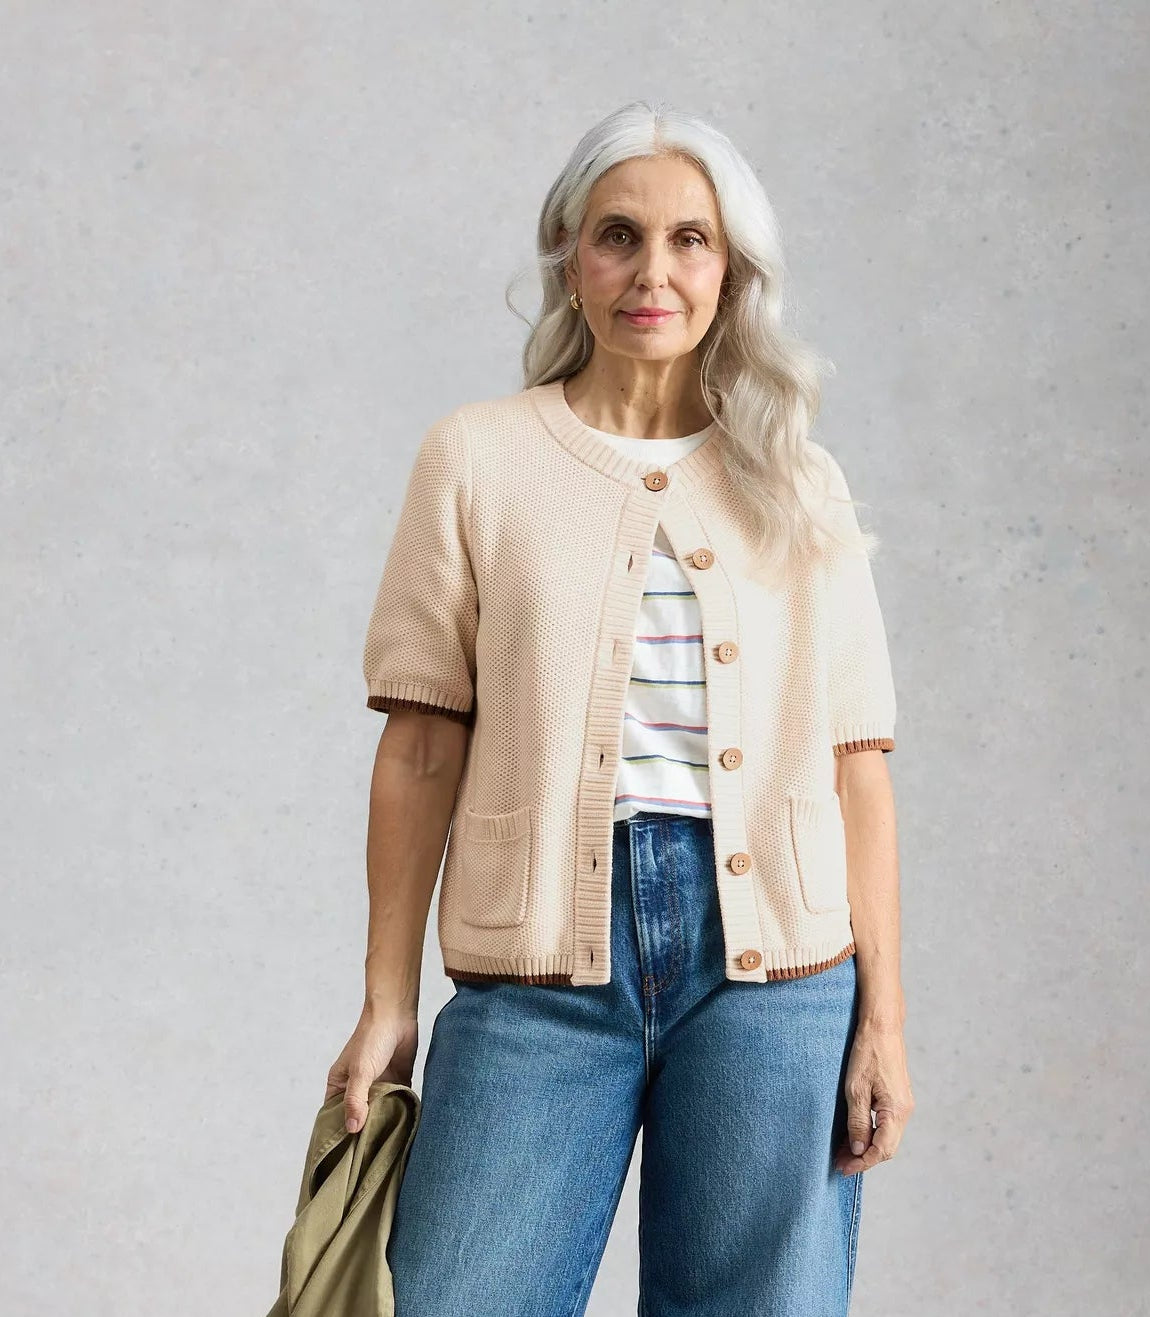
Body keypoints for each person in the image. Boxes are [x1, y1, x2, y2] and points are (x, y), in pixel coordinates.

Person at [323, 100, 915, 1317]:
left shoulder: (799, 481)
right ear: (569, 258)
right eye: (619, 236)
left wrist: (885, 1024)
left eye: (690, 240)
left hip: (777, 975)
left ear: (732, 268)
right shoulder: (477, 459)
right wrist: (387, 996)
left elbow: (857, 765)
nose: (655, 271)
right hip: (540, 957)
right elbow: (424, 743)